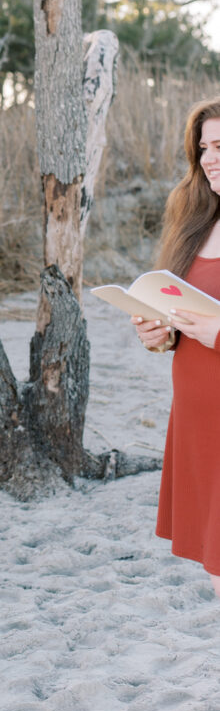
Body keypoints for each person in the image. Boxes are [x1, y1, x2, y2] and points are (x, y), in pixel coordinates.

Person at [132, 96, 220, 596]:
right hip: (198, 422)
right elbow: (180, 312)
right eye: (204, 147)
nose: (209, 158)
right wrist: (159, 334)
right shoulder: (196, 221)